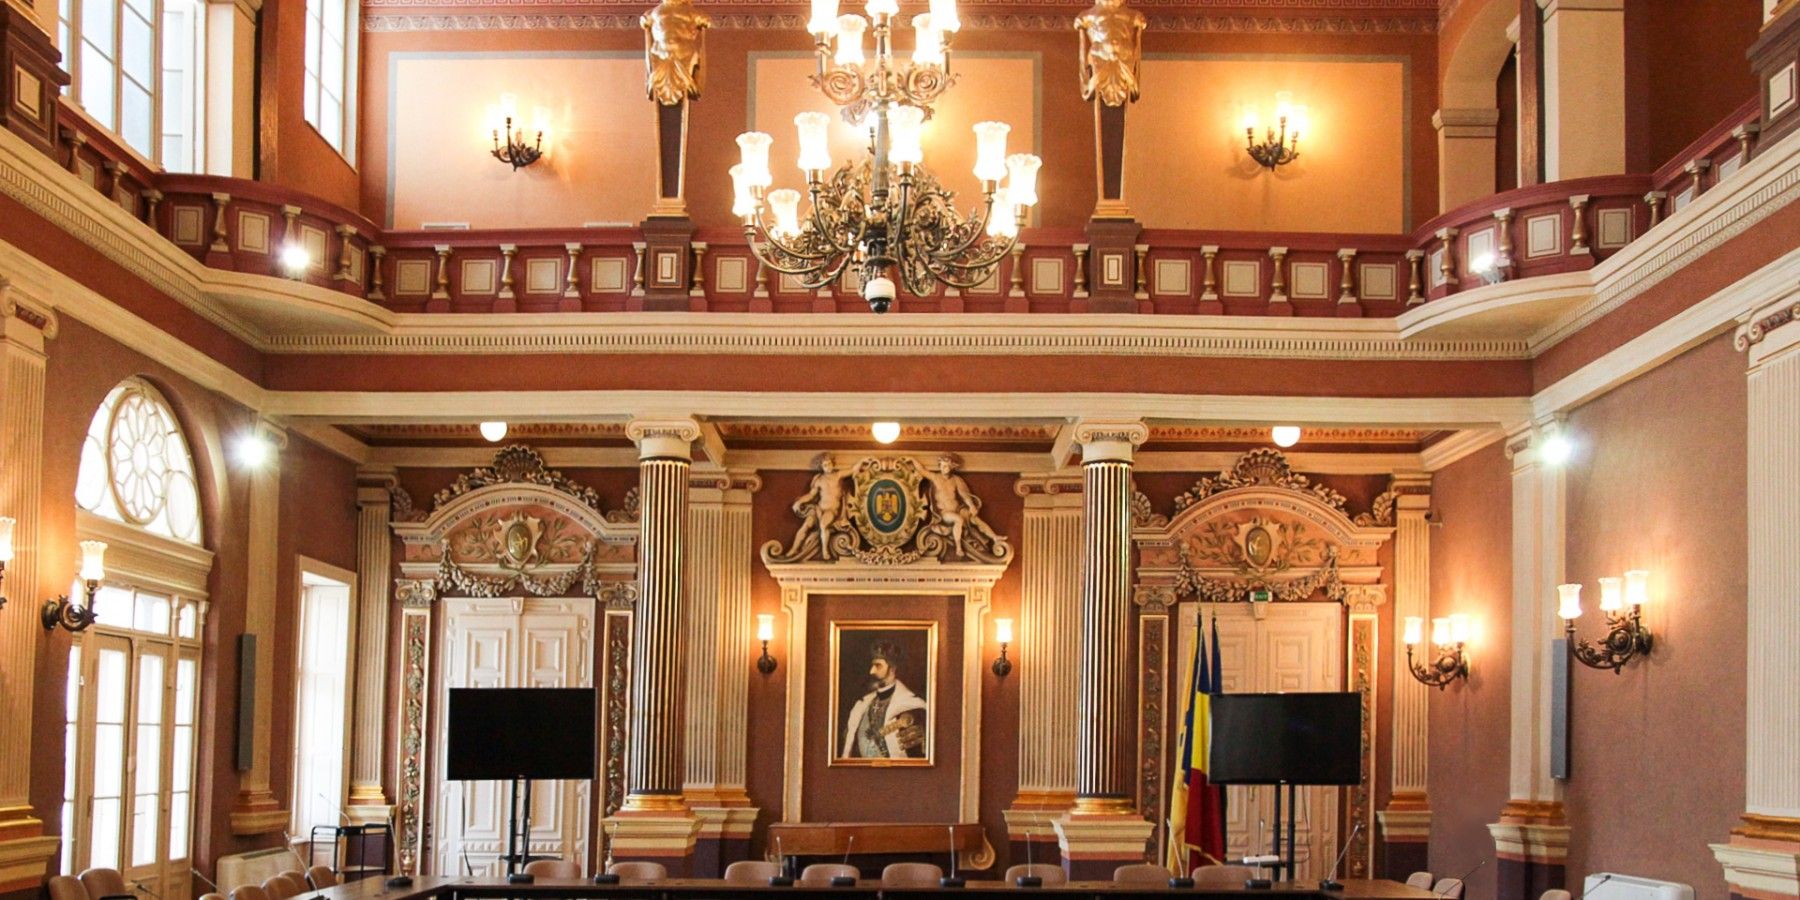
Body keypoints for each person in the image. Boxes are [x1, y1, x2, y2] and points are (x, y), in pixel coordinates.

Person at [841, 641, 927, 759]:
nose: (871, 671)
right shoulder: (861, 706)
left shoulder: (913, 705)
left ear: (892, 669)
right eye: (872, 665)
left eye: (878, 666)